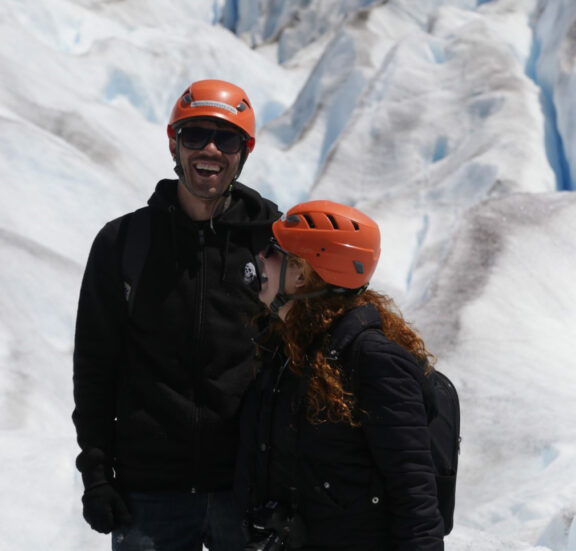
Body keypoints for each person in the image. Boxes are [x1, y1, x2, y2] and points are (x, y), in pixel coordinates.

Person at [73, 79, 280, 550]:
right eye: (194, 136)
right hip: (150, 494)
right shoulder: (123, 243)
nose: (210, 149)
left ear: (244, 151)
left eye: (226, 139)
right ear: (174, 143)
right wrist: (96, 472)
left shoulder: (272, 245)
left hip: (248, 492)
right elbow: (95, 367)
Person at [236, 200, 445, 550]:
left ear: (302, 274)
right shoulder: (289, 348)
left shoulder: (375, 362)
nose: (260, 257)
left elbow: (415, 496)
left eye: (274, 251)